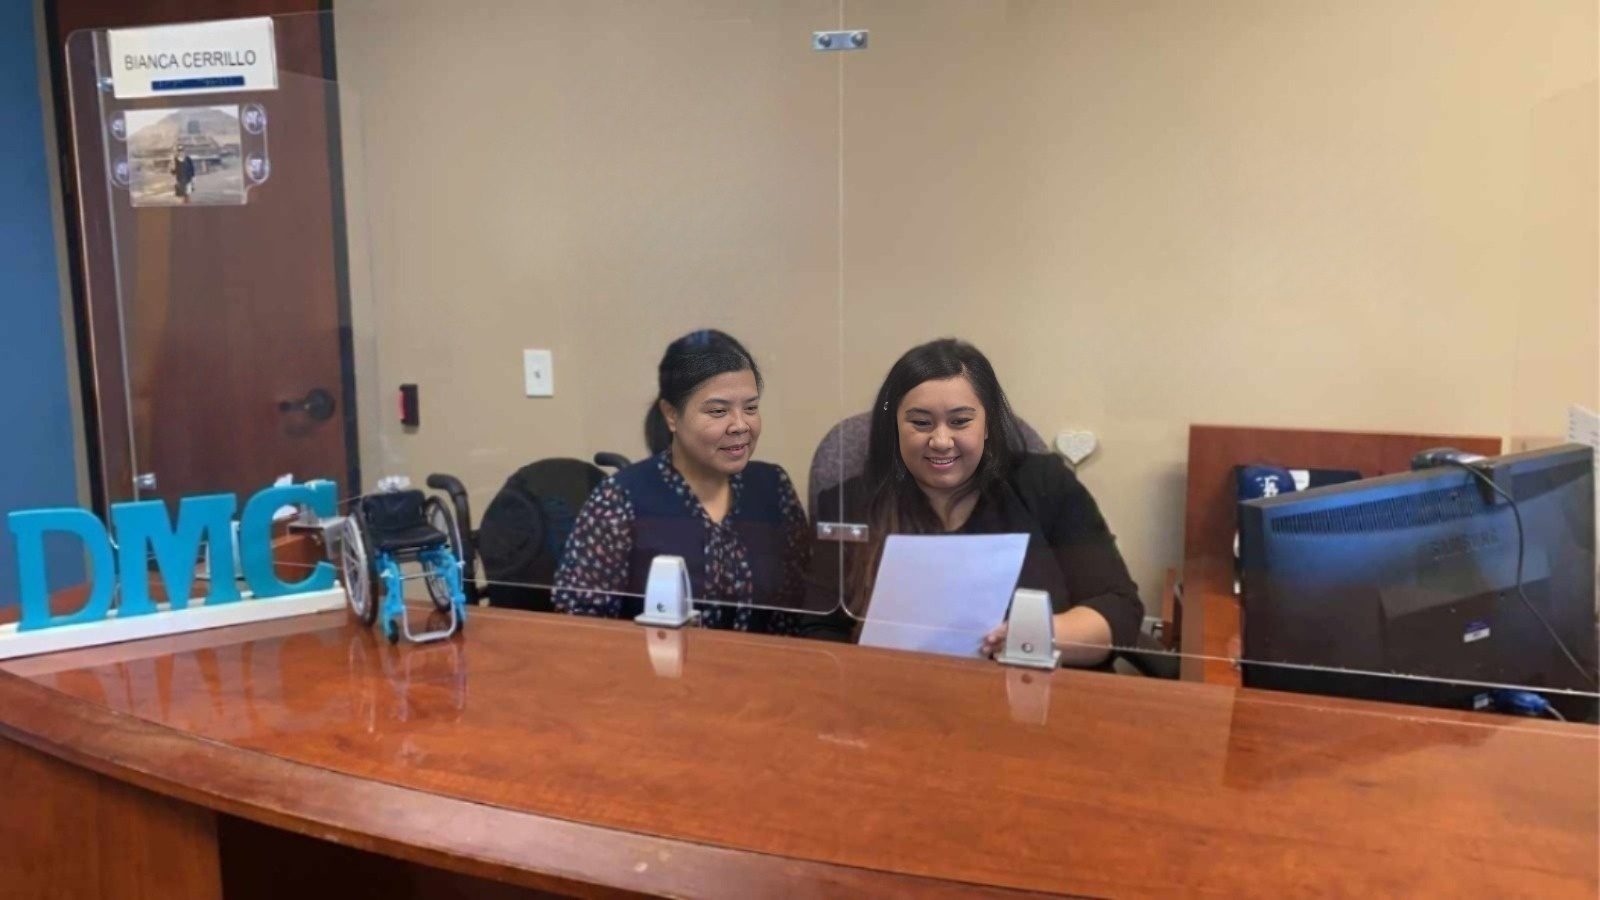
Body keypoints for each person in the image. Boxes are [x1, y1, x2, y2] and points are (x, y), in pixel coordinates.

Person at [804, 338, 1144, 665]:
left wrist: (1033, 637)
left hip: (1033, 698)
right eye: (920, 423)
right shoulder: (848, 504)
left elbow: (1118, 607)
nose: (940, 440)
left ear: (987, 424)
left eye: (960, 421)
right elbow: (818, 630)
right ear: (894, 427)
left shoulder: (1044, 484)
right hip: (891, 699)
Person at [553, 329, 810, 633]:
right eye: (718, 411)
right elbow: (579, 629)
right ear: (672, 415)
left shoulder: (772, 487)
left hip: (763, 674)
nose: (741, 425)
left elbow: (797, 612)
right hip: (650, 674)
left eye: (751, 408)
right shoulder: (619, 499)